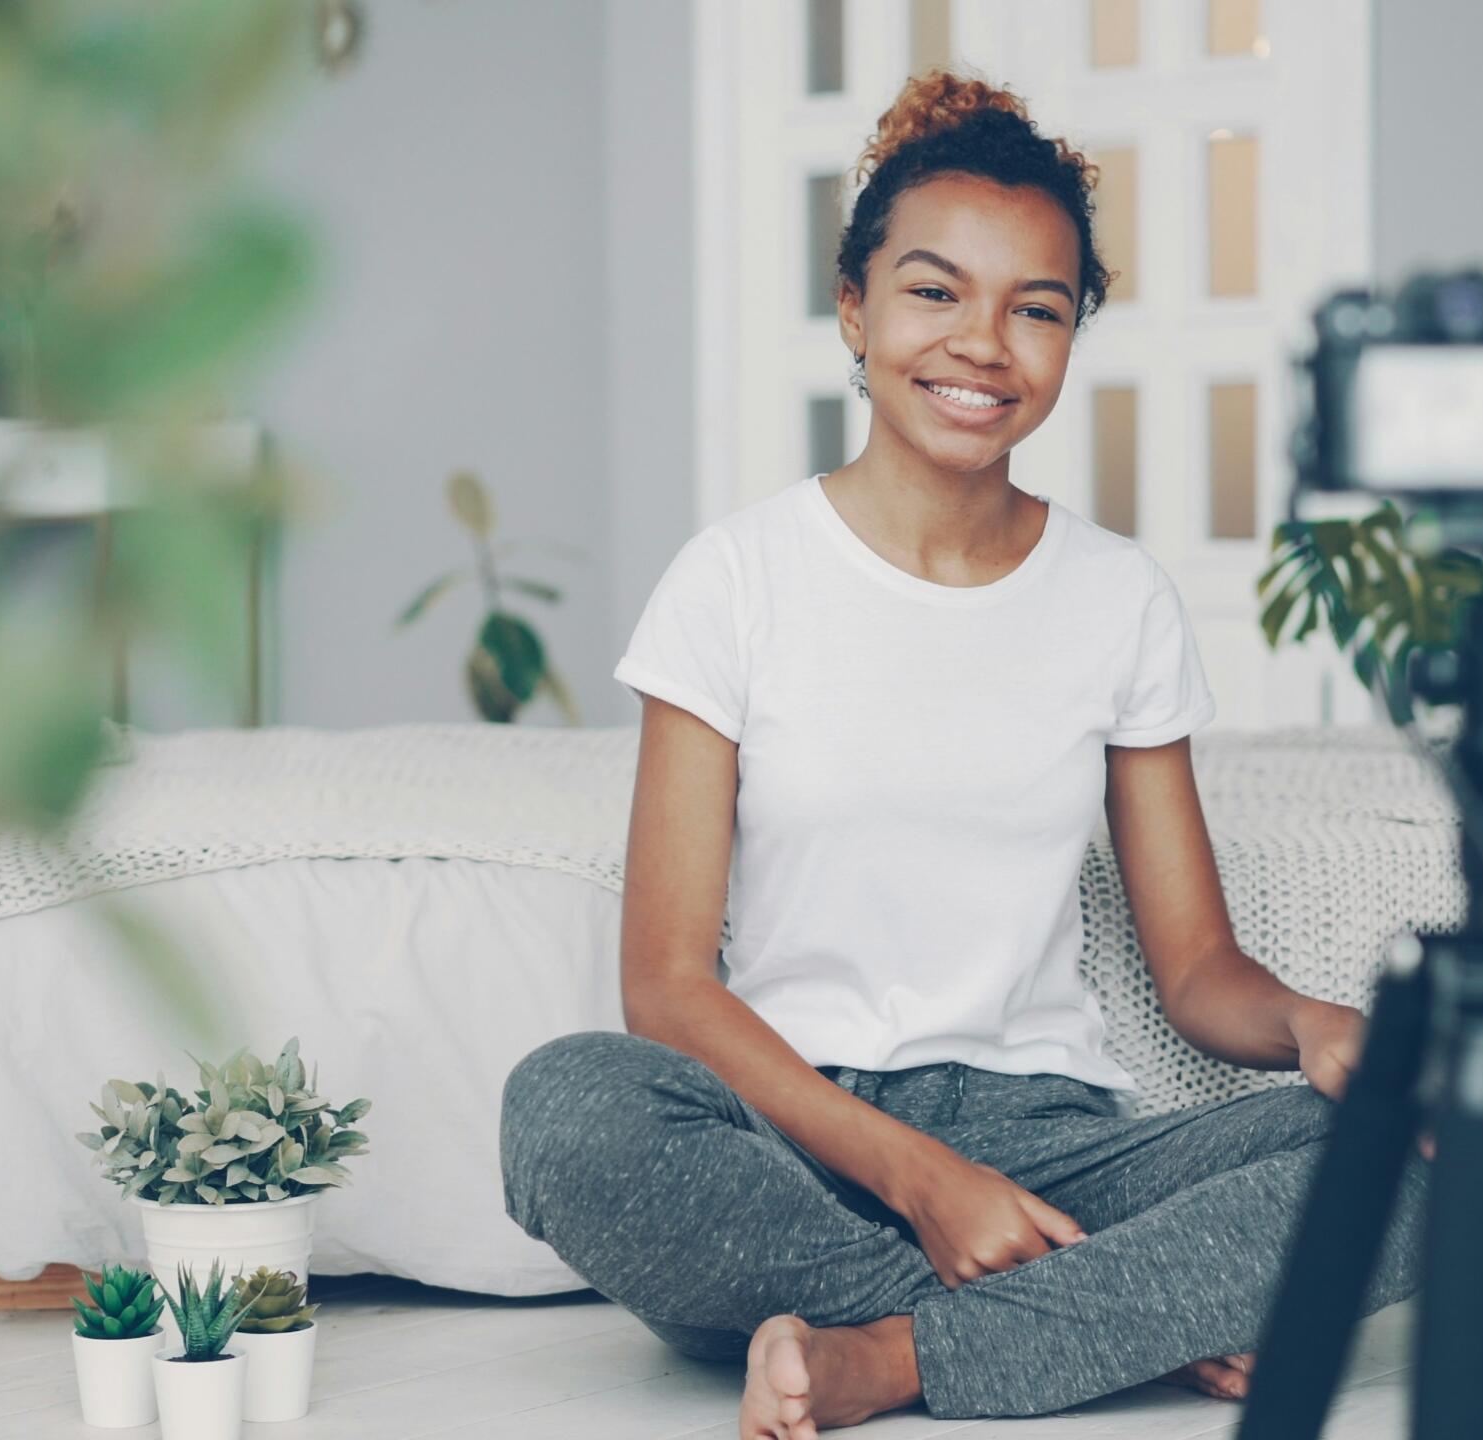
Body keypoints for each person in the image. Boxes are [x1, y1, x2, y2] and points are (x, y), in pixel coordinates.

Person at [499, 69, 1424, 1439]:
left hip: (1048, 1145)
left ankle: (892, 1358)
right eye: (935, 292)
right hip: (796, 1141)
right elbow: (668, 986)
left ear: (1070, 339)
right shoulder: (734, 581)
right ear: (856, 312)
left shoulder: (1119, 600)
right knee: (565, 1108)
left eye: (1035, 309)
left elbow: (1196, 972)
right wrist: (925, 1184)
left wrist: (1304, 1023)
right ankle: (1103, 1326)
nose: (983, 343)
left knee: (1413, 1162)